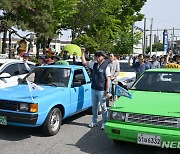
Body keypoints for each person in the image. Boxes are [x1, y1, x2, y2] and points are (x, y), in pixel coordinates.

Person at [81, 50, 111, 130]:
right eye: (96, 56)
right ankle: (94, 121)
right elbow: (84, 62)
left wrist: (107, 91)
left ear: (102, 57)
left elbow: (108, 80)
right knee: (94, 106)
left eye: (98, 56)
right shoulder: (93, 64)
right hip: (93, 88)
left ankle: (104, 122)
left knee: (103, 107)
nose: (96, 57)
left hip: (102, 90)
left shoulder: (106, 67)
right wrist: (83, 52)